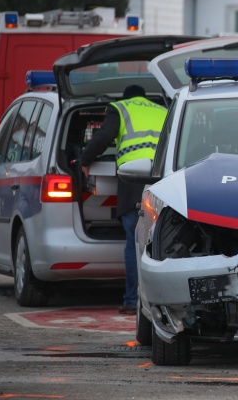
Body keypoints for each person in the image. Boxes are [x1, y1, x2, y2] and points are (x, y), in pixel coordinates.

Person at [80, 85, 168, 315]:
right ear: (144, 97)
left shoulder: (120, 108)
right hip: (165, 180)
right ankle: (163, 302)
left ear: (126, 97)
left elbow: (104, 137)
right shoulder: (163, 109)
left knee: (134, 241)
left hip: (133, 180)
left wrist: (85, 160)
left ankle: (132, 301)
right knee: (163, 241)